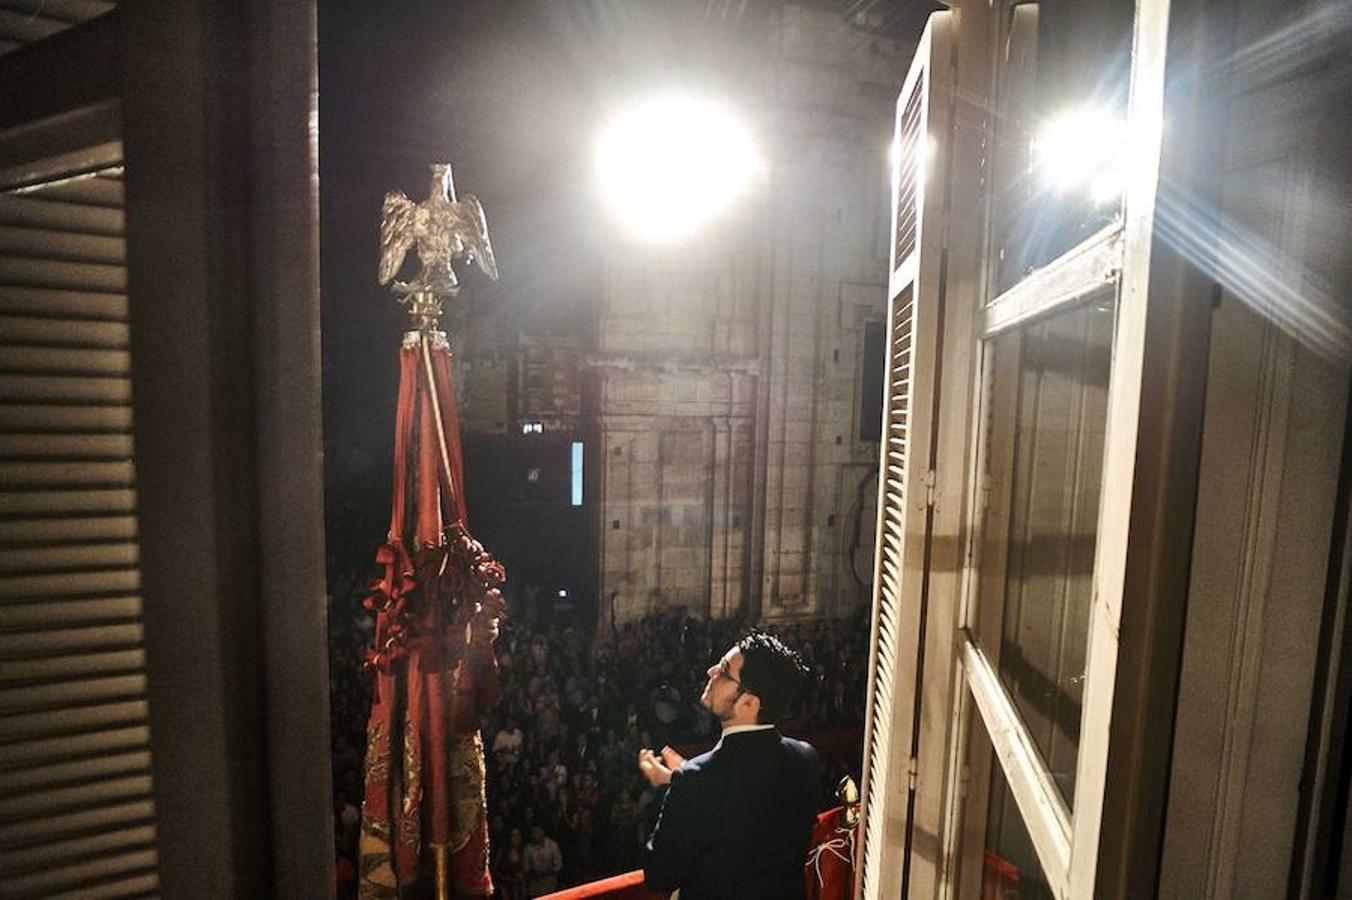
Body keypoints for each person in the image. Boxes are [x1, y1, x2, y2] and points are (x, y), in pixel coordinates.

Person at [637, 631, 821, 900]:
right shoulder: (805, 758)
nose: (711, 671)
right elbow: (747, 810)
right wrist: (682, 781)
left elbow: (660, 874)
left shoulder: (696, 781)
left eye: (724, 672)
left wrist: (668, 790)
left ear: (749, 703)